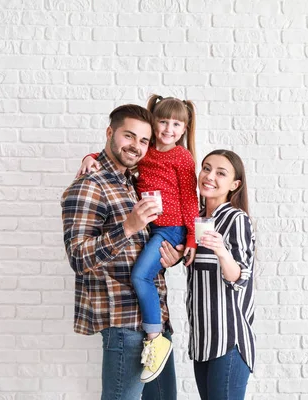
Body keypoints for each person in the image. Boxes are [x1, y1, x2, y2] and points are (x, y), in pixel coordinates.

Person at [61, 104, 181, 399]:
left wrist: (171, 256)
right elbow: (78, 258)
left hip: (155, 322)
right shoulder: (90, 185)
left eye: (143, 140)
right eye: (129, 136)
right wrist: (127, 227)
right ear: (110, 133)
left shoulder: (133, 182)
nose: (136, 146)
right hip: (124, 323)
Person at [78, 95, 199, 382]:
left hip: (170, 229)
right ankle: (156, 333)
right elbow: (117, 158)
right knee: (143, 276)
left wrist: (190, 239)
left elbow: (189, 200)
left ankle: (154, 337)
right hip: (151, 228)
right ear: (153, 122)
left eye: (176, 124)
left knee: (141, 277)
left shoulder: (182, 157)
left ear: (184, 129)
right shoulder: (145, 151)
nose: (168, 129)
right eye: (162, 121)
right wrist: (89, 157)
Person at [169, 149, 256, 400]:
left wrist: (221, 251)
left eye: (221, 173)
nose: (209, 176)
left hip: (229, 341)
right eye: (206, 168)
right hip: (203, 342)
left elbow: (240, 276)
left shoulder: (235, 219)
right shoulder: (195, 219)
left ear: (234, 184)